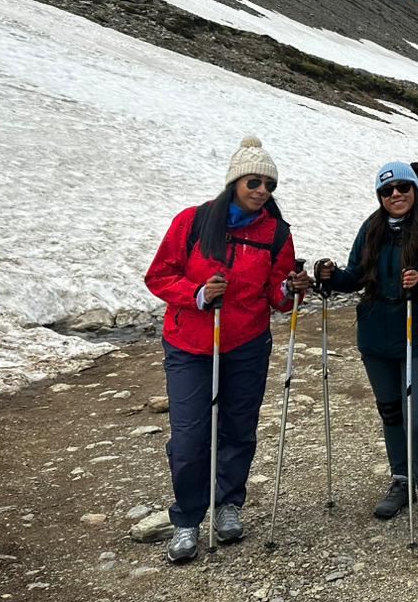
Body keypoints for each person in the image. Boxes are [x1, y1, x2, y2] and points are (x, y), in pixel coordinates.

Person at [144, 135, 312, 563]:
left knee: (238, 428)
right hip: (190, 345)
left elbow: (276, 296)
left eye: (269, 186)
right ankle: (186, 519)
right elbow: (159, 276)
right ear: (235, 181)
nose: (262, 192)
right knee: (188, 437)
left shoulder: (276, 233)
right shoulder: (194, 222)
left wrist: (291, 290)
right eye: (254, 182)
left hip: (247, 344)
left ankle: (228, 505)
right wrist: (198, 294)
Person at [314, 162, 418, 533]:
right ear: (380, 196)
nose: (396, 195)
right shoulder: (371, 228)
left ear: (414, 190)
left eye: (402, 188)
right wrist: (331, 276)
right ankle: (401, 479)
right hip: (376, 335)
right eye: (387, 190)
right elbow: (355, 276)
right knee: (391, 412)